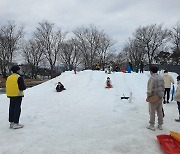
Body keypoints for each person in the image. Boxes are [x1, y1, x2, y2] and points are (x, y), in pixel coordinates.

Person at [146, 66, 164, 131]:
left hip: (153, 97)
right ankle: (160, 125)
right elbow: (163, 87)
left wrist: (148, 96)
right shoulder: (161, 78)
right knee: (160, 111)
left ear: (151, 71)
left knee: (152, 111)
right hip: (160, 97)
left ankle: (152, 125)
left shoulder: (152, 79)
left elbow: (150, 89)